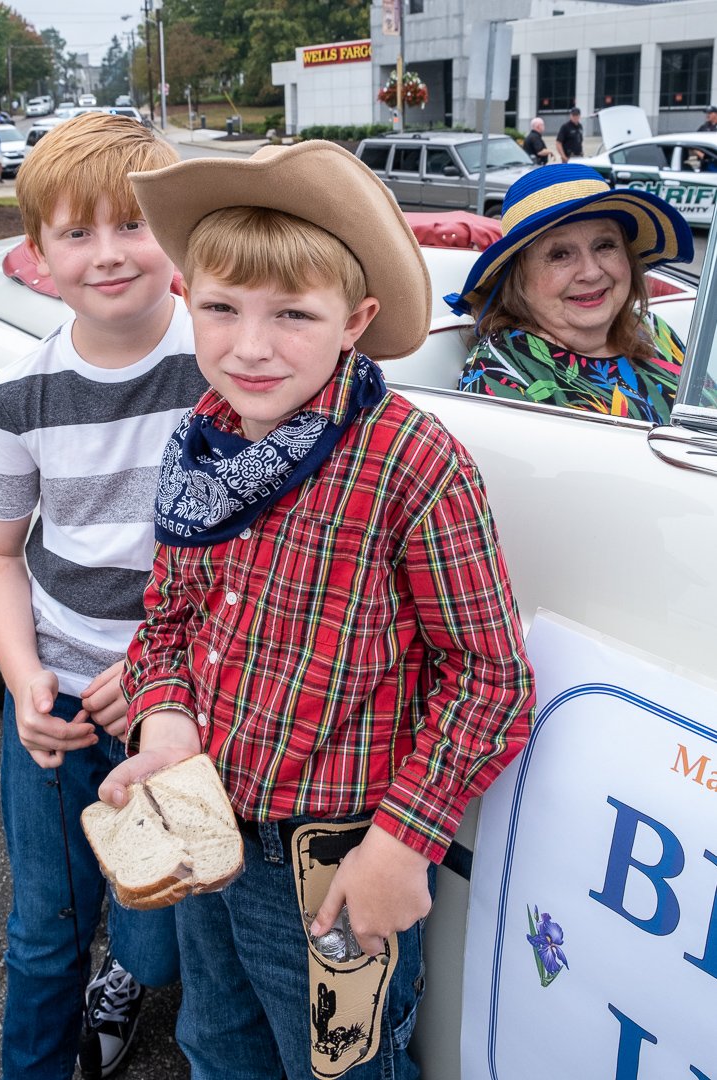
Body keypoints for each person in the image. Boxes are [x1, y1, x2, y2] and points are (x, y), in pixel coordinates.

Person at [97, 141, 536, 1079]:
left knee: (339, 1067)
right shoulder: (203, 444)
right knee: (215, 1041)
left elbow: (489, 677)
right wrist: (166, 723)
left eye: (292, 313)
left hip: (329, 860)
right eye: (221, 308)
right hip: (202, 815)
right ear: (187, 300)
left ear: (356, 320)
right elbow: (170, 618)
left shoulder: (412, 464)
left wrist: (402, 841)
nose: (249, 347)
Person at [0, 111, 205, 1080]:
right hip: (57, 700)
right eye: (76, 232)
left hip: (184, 706)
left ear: (175, 236)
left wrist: (155, 680)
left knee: (162, 927)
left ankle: (132, 980)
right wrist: (23, 677)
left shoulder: (228, 365)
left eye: (133, 224)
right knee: (42, 932)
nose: (108, 255)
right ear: (38, 257)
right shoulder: (21, 389)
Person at [448, 163, 694, 423]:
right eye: (559, 254)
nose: (591, 272)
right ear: (518, 278)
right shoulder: (501, 376)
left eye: (605, 245)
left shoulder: (653, 330)